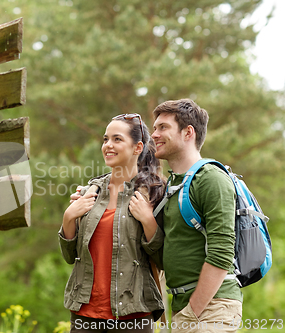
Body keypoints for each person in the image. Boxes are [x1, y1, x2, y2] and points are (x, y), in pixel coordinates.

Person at [59, 113, 166, 333]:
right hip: (84, 314)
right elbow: (70, 256)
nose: (108, 145)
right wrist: (69, 217)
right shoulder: (91, 192)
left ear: (137, 148)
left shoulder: (154, 194)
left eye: (117, 139)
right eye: (105, 139)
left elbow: (164, 260)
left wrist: (148, 221)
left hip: (134, 314)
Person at [150, 99, 243, 332]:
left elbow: (222, 253)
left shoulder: (211, 178)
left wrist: (193, 311)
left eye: (163, 127)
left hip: (212, 307)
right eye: (154, 128)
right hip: (184, 307)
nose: (154, 135)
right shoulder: (173, 185)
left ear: (188, 132)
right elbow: (167, 255)